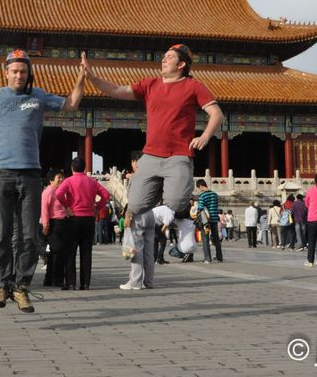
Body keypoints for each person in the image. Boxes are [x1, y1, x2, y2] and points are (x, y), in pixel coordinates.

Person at [0, 49, 85, 313]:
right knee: (1, 234)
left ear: (29, 73)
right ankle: (2, 284)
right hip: (0, 172)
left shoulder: (38, 95)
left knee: (30, 236)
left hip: (30, 173)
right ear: (6, 73)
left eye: (23, 71)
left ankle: (21, 287)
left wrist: (81, 78)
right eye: (14, 71)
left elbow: (71, 105)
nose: (19, 75)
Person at [83, 44, 223, 258]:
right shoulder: (150, 84)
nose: (163, 60)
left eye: (169, 57)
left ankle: (182, 227)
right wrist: (92, 78)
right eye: (164, 56)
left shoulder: (193, 86)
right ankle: (142, 237)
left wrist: (204, 136)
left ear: (181, 64)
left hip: (178, 156)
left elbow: (216, 113)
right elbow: (117, 91)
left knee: (177, 202)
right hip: (150, 155)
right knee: (135, 204)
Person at [56, 157, 112, 287]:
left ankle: (70, 282)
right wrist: (97, 207)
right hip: (89, 218)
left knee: (71, 251)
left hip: (74, 218)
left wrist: (67, 206)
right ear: (85, 168)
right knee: (86, 251)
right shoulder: (92, 181)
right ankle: (85, 283)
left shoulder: (69, 181)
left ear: (72, 168)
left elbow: (58, 193)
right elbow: (106, 194)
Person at [40, 169, 67, 288]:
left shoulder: (60, 191)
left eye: (62, 177)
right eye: (58, 177)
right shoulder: (48, 191)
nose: (61, 179)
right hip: (54, 223)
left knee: (54, 253)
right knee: (58, 252)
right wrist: (45, 224)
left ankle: (49, 279)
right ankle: (57, 279)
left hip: (61, 223)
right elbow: (44, 209)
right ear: (51, 180)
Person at [194, 179, 222, 263]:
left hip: (206, 220)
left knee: (205, 238)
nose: (199, 190)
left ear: (201, 186)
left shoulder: (202, 195)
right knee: (216, 238)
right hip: (214, 218)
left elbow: (200, 208)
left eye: (199, 188)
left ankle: (207, 258)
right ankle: (219, 257)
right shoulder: (215, 194)